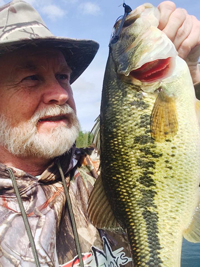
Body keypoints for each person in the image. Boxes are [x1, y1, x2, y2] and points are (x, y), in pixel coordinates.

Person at [0, 0, 199, 266]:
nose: (60, 94)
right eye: (32, 78)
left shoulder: (100, 170)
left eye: (63, 77)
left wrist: (193, 83)